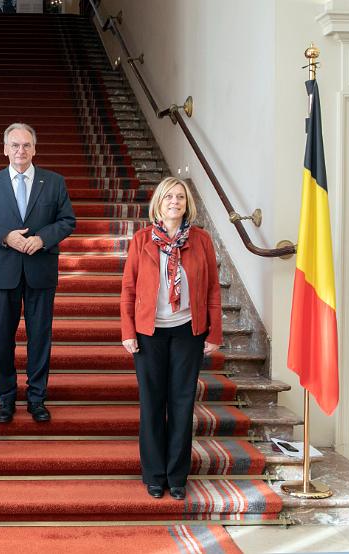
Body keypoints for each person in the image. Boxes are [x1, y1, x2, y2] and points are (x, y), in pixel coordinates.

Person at [120, 177, 222, 501]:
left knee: (181, 404)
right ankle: (154, 475)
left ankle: (177, 477)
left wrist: (214, 332)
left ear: (187, 204)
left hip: (187, 332)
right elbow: (128, 289)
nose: (174, 202)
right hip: (149, 333)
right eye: (168, 197)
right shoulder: (141, 240)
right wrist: (127, 331)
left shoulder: (202, 240)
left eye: (180, 197)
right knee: (152, 404)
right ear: (159, 204)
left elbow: (213, 290)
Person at [0, 123, 76, 424]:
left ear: (35, 149)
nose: (20, 150)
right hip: (3, 270)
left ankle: (37, 398)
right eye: (14, 145)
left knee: (40, 336)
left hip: (40, 268)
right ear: (5, 149)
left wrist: (43, 239)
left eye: (26, 145)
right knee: (3, 338)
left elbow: (67, 221)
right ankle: (6, 399)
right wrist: (6, 237)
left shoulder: (54, 182)